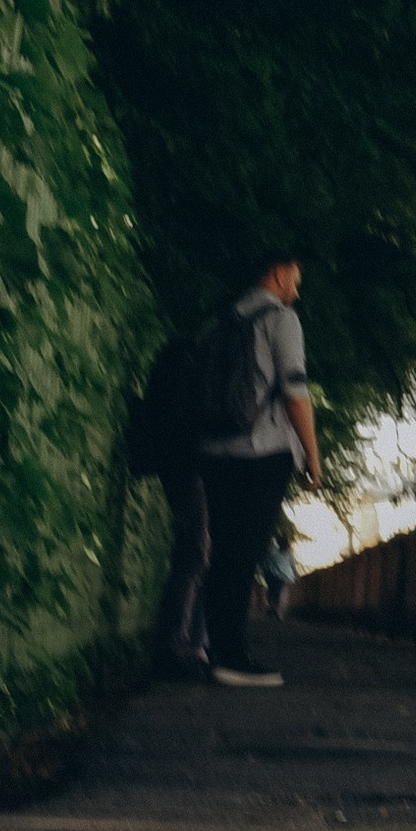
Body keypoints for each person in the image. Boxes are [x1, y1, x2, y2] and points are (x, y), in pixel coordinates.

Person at [197, 254, 322, 690]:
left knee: (222, 551)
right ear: (277, 271)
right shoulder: (281, 319)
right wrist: (312, 456)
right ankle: (230, 657)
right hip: (261, 450)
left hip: (212, 447)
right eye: (295, 278)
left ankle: (215, 650)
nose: (296, 290)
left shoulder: (221, 316)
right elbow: (294, 391)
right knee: (243, 552)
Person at [127, 324, 211, 678]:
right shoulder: (189, 360)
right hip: (186, 463)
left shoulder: (183, 355)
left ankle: (190, 645)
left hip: (183, 461)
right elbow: (183, 422)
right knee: (196, 549)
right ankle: (174, 648)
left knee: (199, 550)